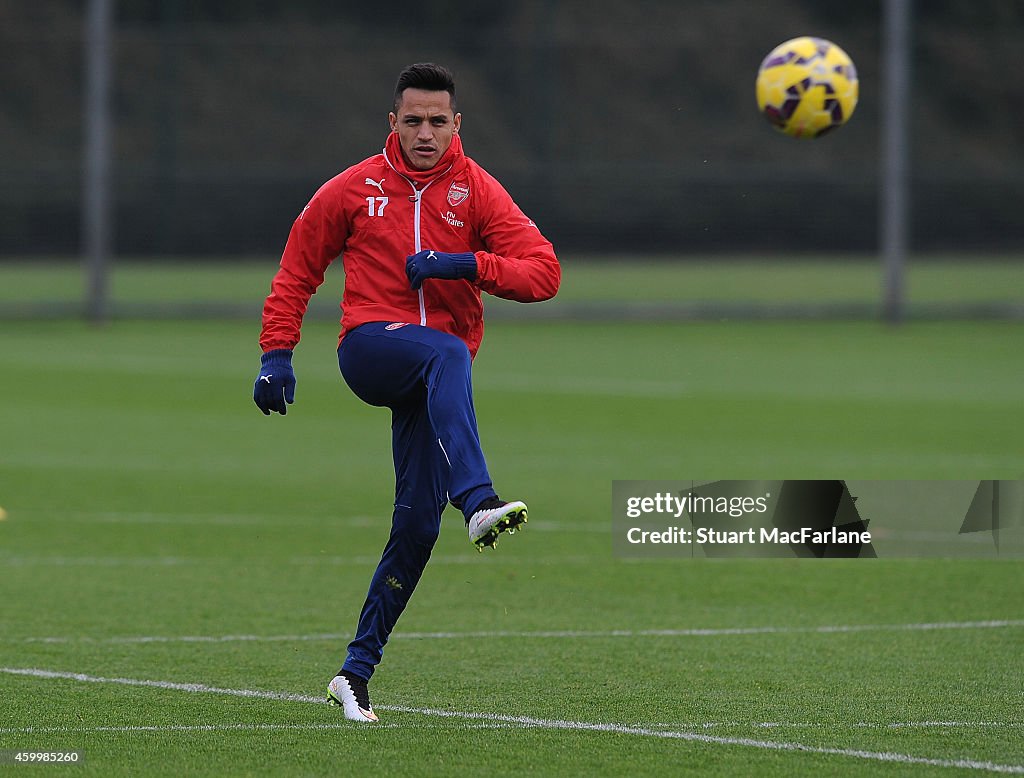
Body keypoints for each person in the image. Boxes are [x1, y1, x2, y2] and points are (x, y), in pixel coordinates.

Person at [252, 63, 560, 723]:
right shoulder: (351, 189)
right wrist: (276, 354)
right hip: (370, 349)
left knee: (417, 527)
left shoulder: (476, 191)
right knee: (447, 351)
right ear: (392, 123)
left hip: (435, 379)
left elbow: (544, 275)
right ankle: (478, 500)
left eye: (438, 121)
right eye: (413, 120)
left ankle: (352, 675)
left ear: (457, 126)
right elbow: (298, 268)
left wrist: (466, 265)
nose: (425, 132)